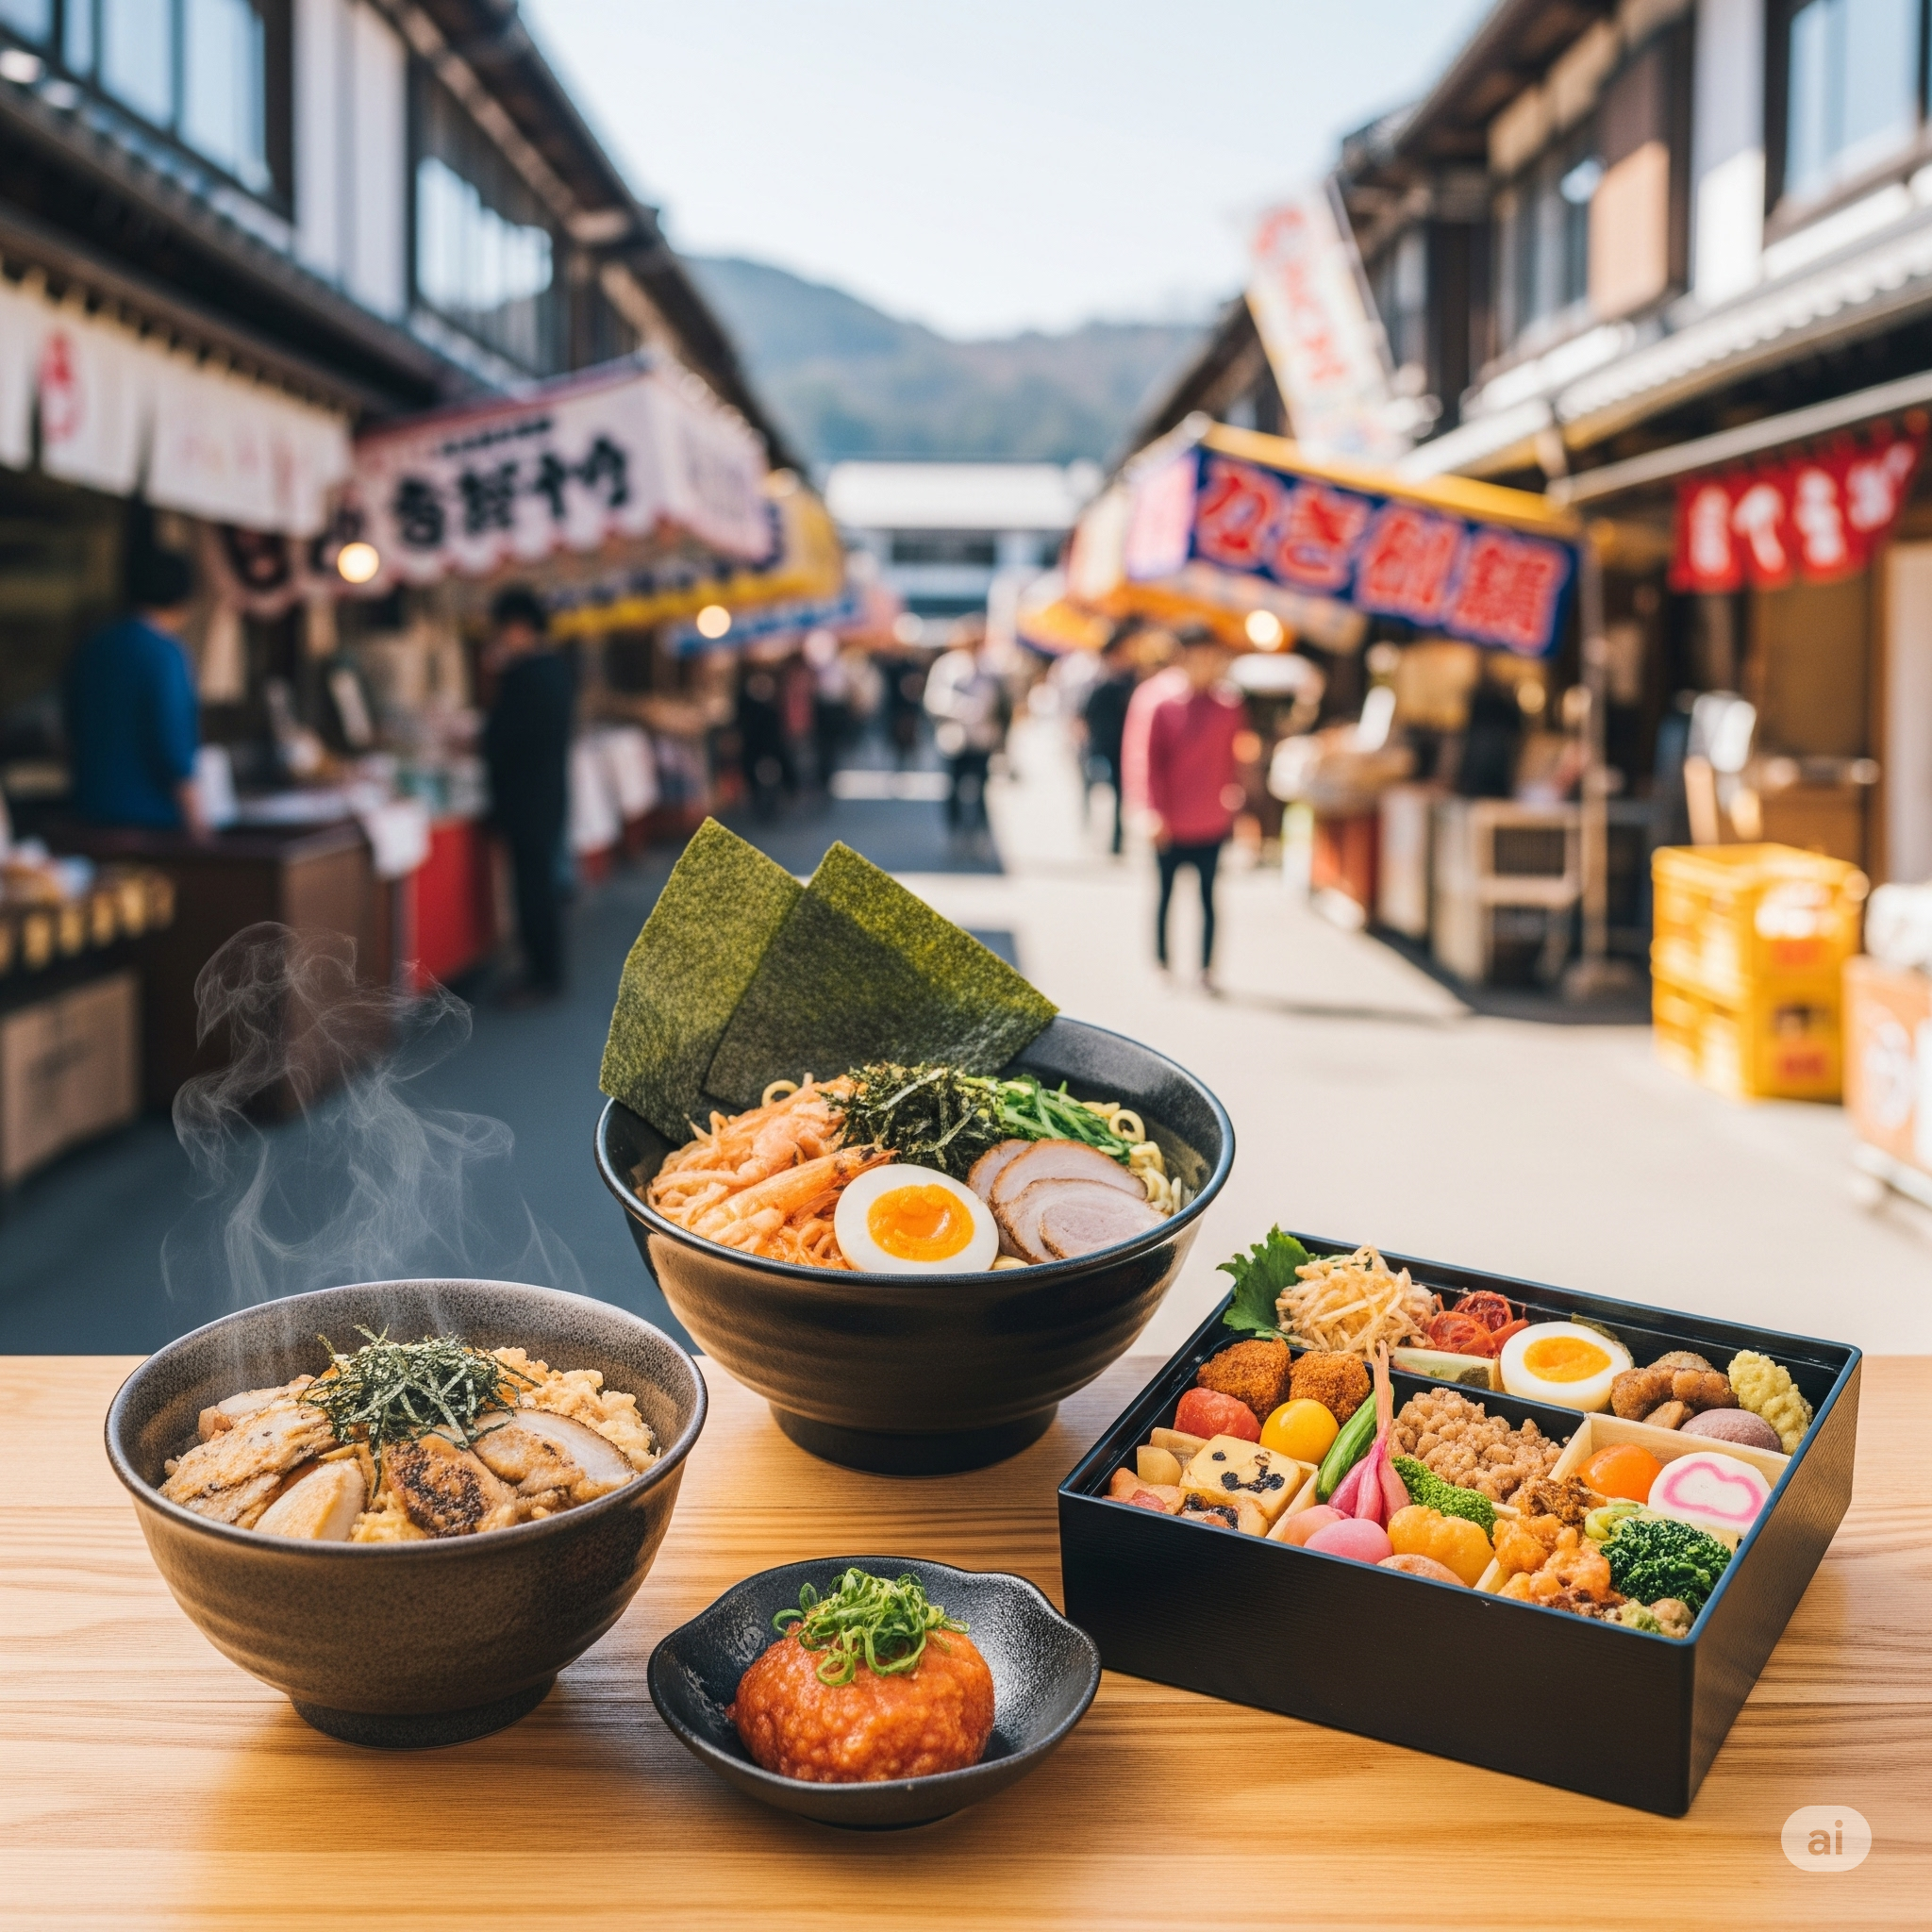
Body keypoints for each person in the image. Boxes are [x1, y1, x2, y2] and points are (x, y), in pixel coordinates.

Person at [1122, 631, 1245, 989]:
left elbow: (1234, 759)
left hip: (1211, 818)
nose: (1207, 664)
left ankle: (1207, 968)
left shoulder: (1228, 704)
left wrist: (1237, 800)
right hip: (1168, 821)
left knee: (1209, 896)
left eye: (1213, 657)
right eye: (1200, 656)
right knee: (1165, 894)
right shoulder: (1155, 699)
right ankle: (1162, 963)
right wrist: (1149, 811)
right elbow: (1142, 759)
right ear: (1182, 656)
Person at [65, 547, 207, 833]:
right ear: (182, 600)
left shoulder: (92, 647)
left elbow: (69, 724)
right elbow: (173, 746)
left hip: (90, 812)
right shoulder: (166, 654)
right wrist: (198, 824)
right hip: (151, 821)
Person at [482, 586, 575, 999]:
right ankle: (544, 970)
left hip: (525, 798)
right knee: (540, 885)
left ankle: (542, 976)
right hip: (548, 793)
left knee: (531, 889)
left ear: (517, 627)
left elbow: (503, 739)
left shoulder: (523, 675)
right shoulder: (557, 670)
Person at [924, 628, 1007, 837]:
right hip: (955, 737)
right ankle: (956, 830)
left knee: (981, 787)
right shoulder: (948, 667)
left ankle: (979, 831)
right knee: (954, 786)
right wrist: (962, 708)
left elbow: (1002, 706)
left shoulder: (991, 668)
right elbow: (934, 700)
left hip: (983, 738)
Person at [1081, 626, 1140, 856]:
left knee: (1120, 796)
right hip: (1106, 747)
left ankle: (1117, 839)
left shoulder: (1131, 681)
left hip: (1125, 746)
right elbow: (1086, 715)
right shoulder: (1104, 685)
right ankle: (1110, 839)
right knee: (1105, 794)